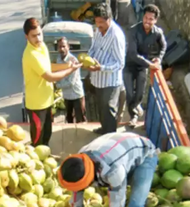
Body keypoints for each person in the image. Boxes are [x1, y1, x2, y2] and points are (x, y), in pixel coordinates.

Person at [22, 18, 82, 146]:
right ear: (26, 37)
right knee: (38, 140)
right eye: (34, 36)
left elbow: (48, 66)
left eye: (39, 34)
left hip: (47, 101)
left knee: (47, 135)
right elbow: (49, 76)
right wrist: (70, 70)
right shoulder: (31, 54)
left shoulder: (41, 46)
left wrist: (67, 65)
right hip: (37, 105)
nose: (38, 39)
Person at [124, 4, 167, 128]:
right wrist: (150, 65)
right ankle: (134, 116)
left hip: (142, 67)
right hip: (129, 65)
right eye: (145, 18)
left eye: (150, 19)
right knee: (130, 93)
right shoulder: (133, 30)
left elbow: (163, 46)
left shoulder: (157, 33)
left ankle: (136, 108)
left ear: (155, 20)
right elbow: (132, 54)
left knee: (140, 93)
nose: (147, 21)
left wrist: (158, 58)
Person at [87, 4, 126, 134]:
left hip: (110, 81)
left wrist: (101, 67)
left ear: (109, 19)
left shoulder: (116, 36)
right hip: (98, 79)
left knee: (109, 109)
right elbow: (94, 47)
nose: (98, 25)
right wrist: (87, 58)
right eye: (96, 22)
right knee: (101, 107)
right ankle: (104, 129)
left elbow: (120, 63)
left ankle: (110, 136)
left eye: (101, 22)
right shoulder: (98, 30)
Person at [56, 38, 86, 124]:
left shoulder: (73, 61)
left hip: (76, 95)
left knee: (80, 120)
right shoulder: (58, 59)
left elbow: (71, 82)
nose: (61, 49)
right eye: (59, 47)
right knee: (69, 119)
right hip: (66, 96)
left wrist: (57, 85)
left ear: (68, 47)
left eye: (63, 46)